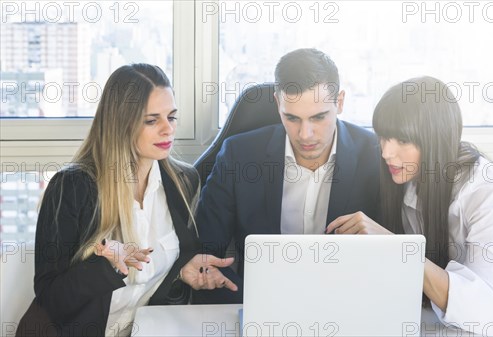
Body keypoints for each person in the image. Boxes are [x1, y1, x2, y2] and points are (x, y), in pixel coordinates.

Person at [326, 76, 493, 336]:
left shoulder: (487, 188)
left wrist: (396, 247)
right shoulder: (409, 185)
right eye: (383, 137)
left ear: (435, 139)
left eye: (403, 140)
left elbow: (480, 306)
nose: (386, 152)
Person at [17, 64, 237, 337]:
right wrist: (107, 265)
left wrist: (182, 270)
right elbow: (51, 299)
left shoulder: (182, 181)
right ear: (121, 124)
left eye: (172, 116)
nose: (168, 129)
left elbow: (159, 274)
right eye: (152, 120)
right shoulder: (72, 187)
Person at [195, 48, 380, 296]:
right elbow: (206, 252)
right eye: (292, 118)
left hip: (348, 301)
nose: (305, 135)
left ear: (340, 102)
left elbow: (391, 253)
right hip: (260, 303)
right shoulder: (239, 156)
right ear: (277, 104)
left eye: (318, 117)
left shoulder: (375, 156)